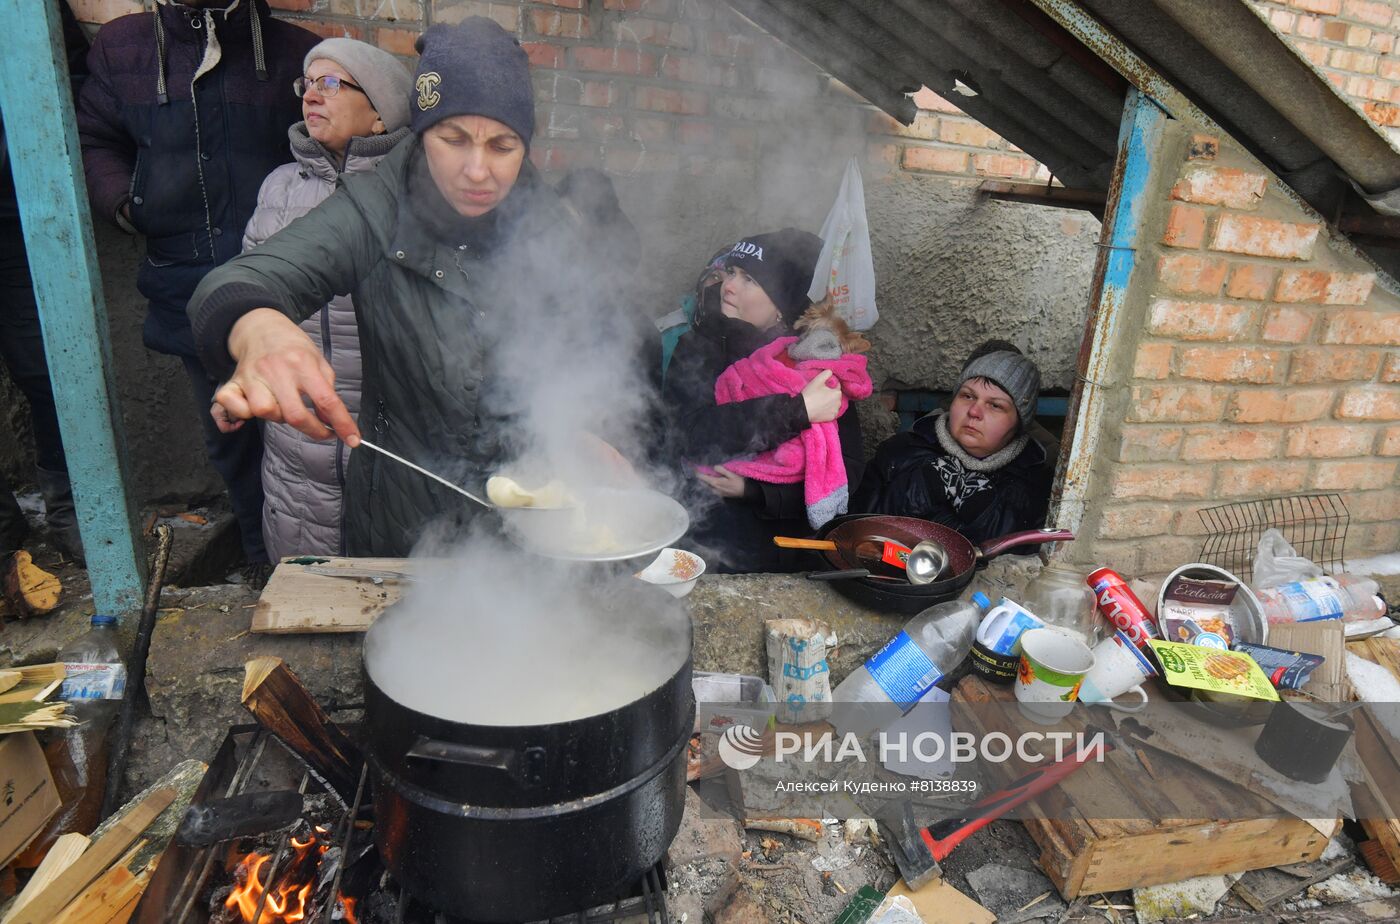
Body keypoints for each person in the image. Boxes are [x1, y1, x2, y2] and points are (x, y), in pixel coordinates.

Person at [187, 17, 601, 557]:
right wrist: (258, 330)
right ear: (424, 132)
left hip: (525, 523)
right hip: (401, 520)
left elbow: (583, 345)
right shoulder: (376, 206)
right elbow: (247, 277)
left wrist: (581, 428)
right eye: (454, 138)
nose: (478, 170)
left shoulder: (548, 224)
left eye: (502, 145)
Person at [76, 0, 318, 577]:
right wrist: (130, 205)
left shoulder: (292, 52)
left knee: (303, 435)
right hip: (188, 283)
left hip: (294, 295)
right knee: (231, 439)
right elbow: (92, 138)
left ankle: (312, 564)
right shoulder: (122, 48)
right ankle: (262, 562)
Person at [216, 39, 412, 561]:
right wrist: (247, 373)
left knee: (389, 586)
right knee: (306, 563)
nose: (311, 96)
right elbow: (250, 286)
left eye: (331, 84)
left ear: (379, 116)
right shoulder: (280, 187)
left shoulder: (413, 196)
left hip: (380, 426)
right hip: (295, 429)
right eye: (308, 84)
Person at [662, 229, 867, 573]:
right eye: (731, 272)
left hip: (779, 547)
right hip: (698, 531)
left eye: (750, 280)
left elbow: (844, 470)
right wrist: (796, 411)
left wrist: (754, 491)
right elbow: (689, 433)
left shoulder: (813, 363)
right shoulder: (700, 346)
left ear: (782, 307)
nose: (729, 286)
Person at [0, 1, 90, 562]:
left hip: (19, 215)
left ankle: (71, 507)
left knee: (47, 366)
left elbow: (68, 72)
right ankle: (5, 532)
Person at [853, 343, 1054, 545]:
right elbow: (853, 534)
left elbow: (1031, 557)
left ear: (1019, 423)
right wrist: (922, 487)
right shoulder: (901, 452)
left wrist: (982, 512)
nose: (974, 412)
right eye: (967, 396)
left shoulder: (1037, 483)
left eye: (995, 405)